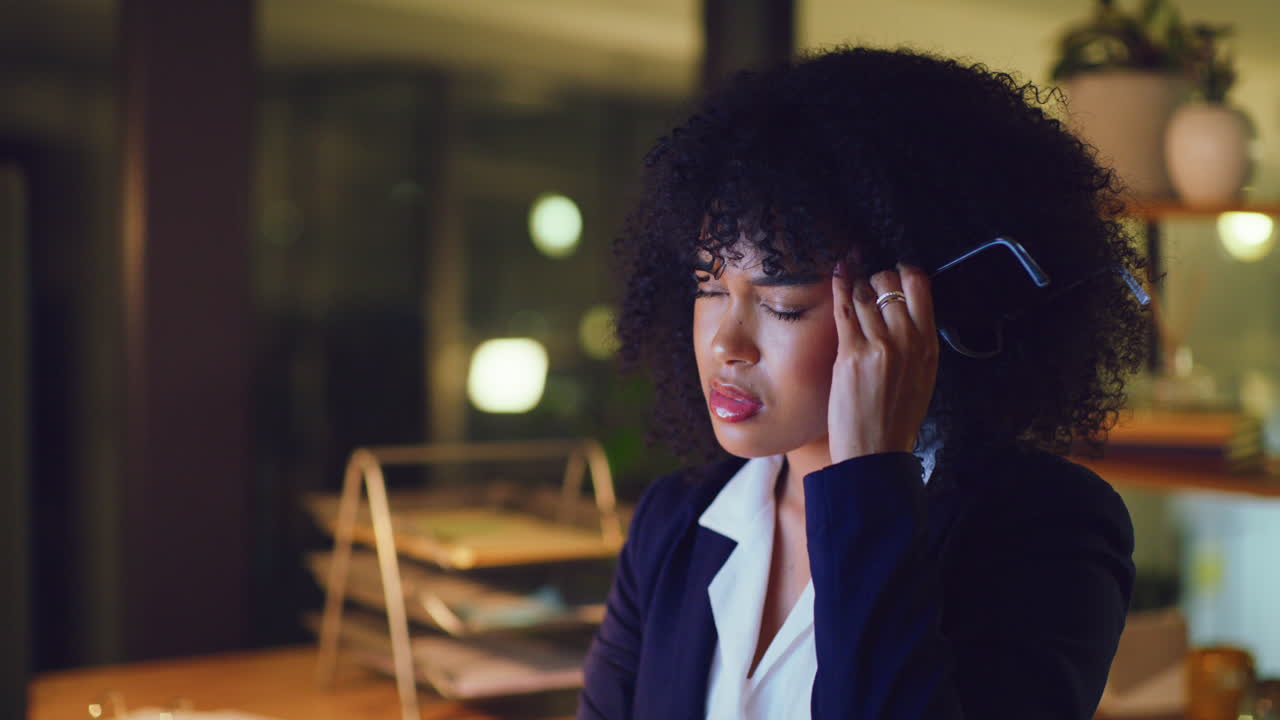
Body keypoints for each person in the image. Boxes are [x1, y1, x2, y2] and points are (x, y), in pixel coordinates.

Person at [577, 45, 1151, 719]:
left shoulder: (1044, 528)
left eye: (782, 303)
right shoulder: (674, 523)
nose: (724, 345)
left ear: (905, 309)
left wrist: (870, 478)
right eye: (708, 288)